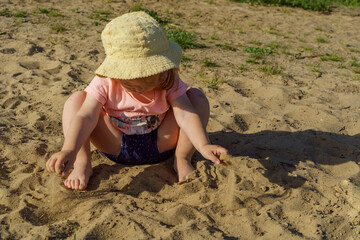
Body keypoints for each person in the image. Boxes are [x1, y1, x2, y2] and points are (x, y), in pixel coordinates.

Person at [46, 11, 228, 190]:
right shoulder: (106, 81)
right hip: (114, 145)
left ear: (160, 70)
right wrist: (69, 149)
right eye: (129, 83)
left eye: (147, 80)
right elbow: (87, 117)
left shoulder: (167, 79)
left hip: (163, 144)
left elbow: (185, 116)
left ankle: (182, 158)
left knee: (196, 97)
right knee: (77, 101)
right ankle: (82, 163)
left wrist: (203, 145)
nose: (136, 88)